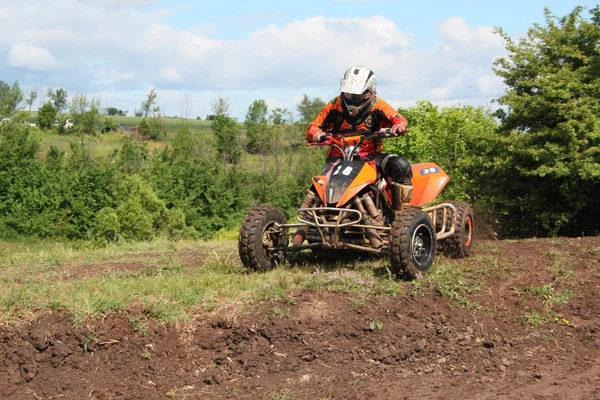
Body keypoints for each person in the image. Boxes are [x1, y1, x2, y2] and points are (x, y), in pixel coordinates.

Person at [292, 65, 413, 245]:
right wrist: (317, 134)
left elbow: (398, 118)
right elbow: (313, 127)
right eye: (349, 95)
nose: (353, 100)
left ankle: (401, 218)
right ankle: (315, 222)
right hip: (338, 156)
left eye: (357, 96)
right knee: (321, 184)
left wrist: (399, 126)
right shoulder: (335, 105)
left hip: (370, 156)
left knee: (401, 166)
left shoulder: (378, 105)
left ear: (370, 92)